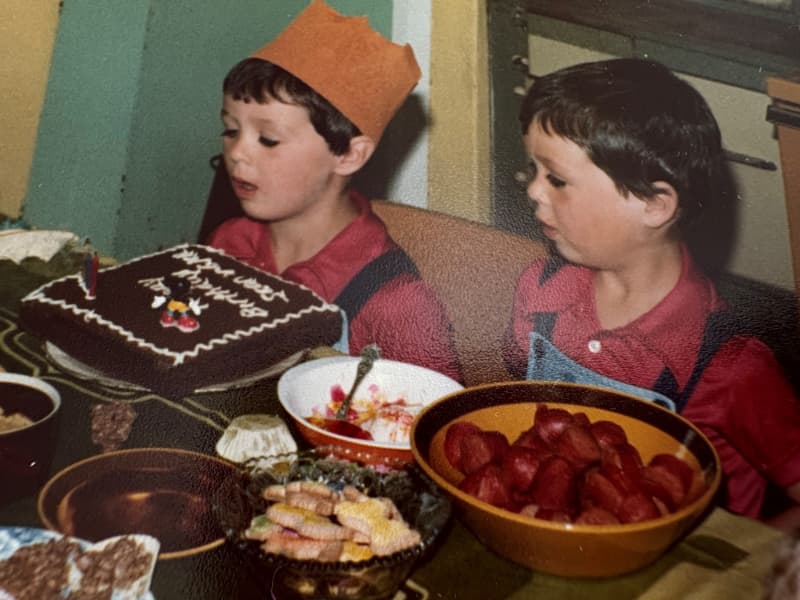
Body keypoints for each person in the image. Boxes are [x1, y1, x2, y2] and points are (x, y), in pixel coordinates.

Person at [502, 57, 800, 529]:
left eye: (556, 179)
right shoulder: (540, 291)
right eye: (533, 169)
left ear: (653, 204)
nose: (534, 190)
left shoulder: (731, 365)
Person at [206, 1, 461, 382]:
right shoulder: (230, 243)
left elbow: (434, 426)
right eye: (231, 130)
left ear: (347, 154)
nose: (237, 152)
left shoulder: (397, 304)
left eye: (269, 139)